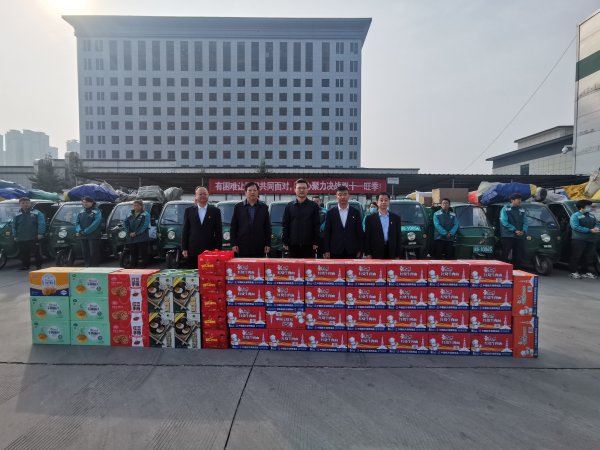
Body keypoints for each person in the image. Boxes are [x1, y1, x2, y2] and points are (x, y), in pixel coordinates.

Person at [182, 186, 222, 269]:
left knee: (209, 272)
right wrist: (184, 248)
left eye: (205, 194)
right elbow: (185, 230)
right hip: (192, 249)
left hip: (210, 250)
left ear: (208, 196)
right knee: (193, 273)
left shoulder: (215, 211)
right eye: (200, 194)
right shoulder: (189, 211)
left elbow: (218, 231)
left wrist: (218, 249)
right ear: (196, 196)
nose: (203, 196)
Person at [230, 182, 271, 257]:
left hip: (259, 246)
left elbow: (267, 227)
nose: (252, 192)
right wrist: (233, 244)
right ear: (245, 192)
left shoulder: (264, 207)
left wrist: (268, 244)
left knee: (259, 264)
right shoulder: (238, 207)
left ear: (258, 192)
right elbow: (233, 227)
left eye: (255, 190)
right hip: (242, 246)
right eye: (250, 190)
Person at [282, 179, 321, 258]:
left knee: (309, 266)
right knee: (293, 265)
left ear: (307, 190)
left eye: (304, 188)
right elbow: (285, 225)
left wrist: (316, 242)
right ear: (295, 189)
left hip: (309, 245)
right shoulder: (289, 206)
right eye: (299, 188)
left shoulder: (313, 206)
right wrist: (285, 242)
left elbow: (317, 225)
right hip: (293, 245)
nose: (302, 190)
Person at [323, 186, 364, 259]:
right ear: (336, 196)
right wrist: (326, 250)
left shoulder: (355, 212)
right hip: (335, 250)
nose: (342, 197)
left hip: (352, 250)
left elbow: (359, 231)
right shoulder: (330, 213)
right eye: (340, 195)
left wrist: (360, 249)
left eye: (345, 194)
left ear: (349, 196)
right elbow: (327, 232)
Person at [364, 192, 402, 259]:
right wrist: (368, 253)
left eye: (386, 200)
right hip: (375, 251)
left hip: (391, 251)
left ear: (389, 202)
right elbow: (367, 237)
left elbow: (398, 237)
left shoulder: (396, 218)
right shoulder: (370, 218)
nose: (383, 202)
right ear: (377, 202)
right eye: (381, 200)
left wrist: (398, 255)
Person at [568, 199, 600, 279]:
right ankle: (573, 271)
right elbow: (575, 227)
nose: (590, 207)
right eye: (588, 206)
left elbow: (597, 223)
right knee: (576, 256)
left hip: (591, 239)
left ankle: (585, 272)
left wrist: (597, 227)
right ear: (582, 207)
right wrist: (589, 230)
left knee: (587, 256)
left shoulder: (591, 215)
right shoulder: (575, 216)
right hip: (579, 239)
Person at [12, 197, 45, 270]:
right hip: (21, 237)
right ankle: (25, 266)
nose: (25, 204)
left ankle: (39, 266)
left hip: (34, 236)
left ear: (30, 204)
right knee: (24, 252)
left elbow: (41, 223)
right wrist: (15, 235)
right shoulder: (17, 214)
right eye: (23, 203)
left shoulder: (37, 213)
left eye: (27, 203)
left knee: (36, 252)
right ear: (20, 204)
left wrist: (40, 233)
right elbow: (14, 226)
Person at [499, 193, 528, 268]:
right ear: (512, 200)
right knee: (505, 254)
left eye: (520, 199)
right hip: (508, 235)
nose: (520, 201)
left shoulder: (522, 209)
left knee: (518, 256)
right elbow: (504, 221)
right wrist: (514, 230)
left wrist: (524, 230)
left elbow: (525, 221)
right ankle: (503, 270)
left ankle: (516, 270)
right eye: (518, 199)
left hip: (519, 236)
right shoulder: (505, 209)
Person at [75, 196, 103, 267]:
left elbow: (96, 223)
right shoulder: (81, 212)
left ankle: (94, 266)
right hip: (82, 235)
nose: (85, 203)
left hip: (93, 235)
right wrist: (79, 230)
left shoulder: (97, 211)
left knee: (93, 252)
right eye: (83, 202)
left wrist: (86, 231)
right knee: (85, 252)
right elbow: (77, 222)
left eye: (87, 202)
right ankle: (87, 265)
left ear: (92, 202)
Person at [123, 199, 151, 267]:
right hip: (131, 237)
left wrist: (136, 233)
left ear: (141, 206)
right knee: (133, 253)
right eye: (134, 205)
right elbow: (125, 223)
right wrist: (129, 232)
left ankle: (144, 266)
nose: (135, 207)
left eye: (137, 205)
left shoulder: (145, 214)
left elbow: (144, 225)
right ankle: (133, 266)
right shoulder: (130, 214)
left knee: (143, 253)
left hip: (142, 237)